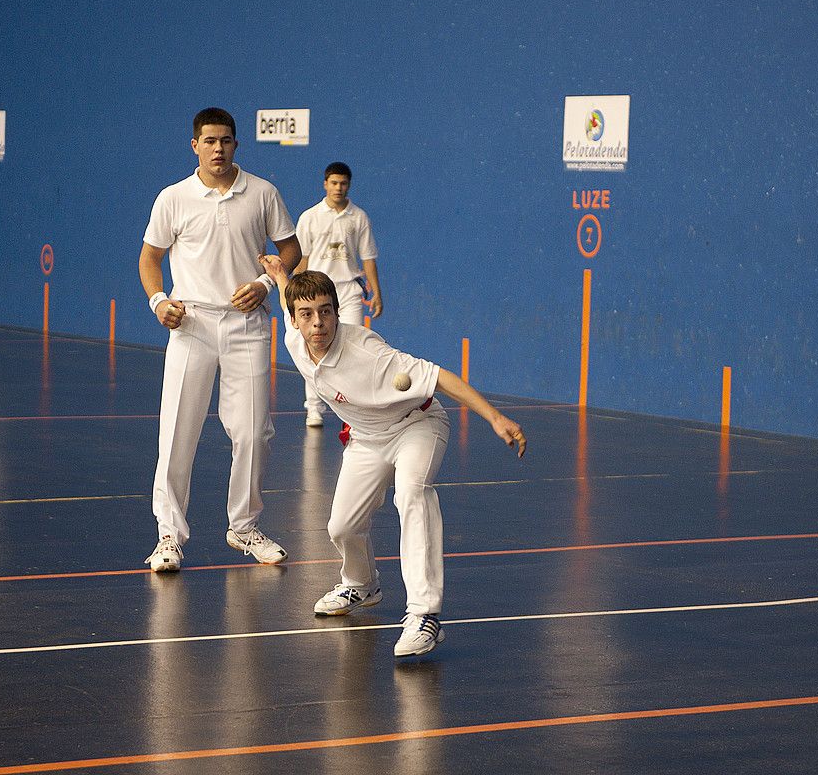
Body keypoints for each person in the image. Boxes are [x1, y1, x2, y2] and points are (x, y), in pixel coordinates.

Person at [260, 256, 527, 657]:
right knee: (341, 527)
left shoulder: (369, 353)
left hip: (416, 425)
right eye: (307, 315)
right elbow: (288, 299)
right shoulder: (297, 340)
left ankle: (425, 615)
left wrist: (494, 417)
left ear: (337, 312)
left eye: (326, 312)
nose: (318, 323)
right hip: (368, 437)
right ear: (295, 321)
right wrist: (282, 276)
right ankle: (362, 585)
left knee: (412, 494)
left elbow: (439, 377)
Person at [138, 107, 301, 573]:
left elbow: (289, 246)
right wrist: (158, 302)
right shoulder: (173, 197)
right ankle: (169, 536)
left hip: (247, 326)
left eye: (226, 141)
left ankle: (243, 527)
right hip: (191, 325)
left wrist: (266, 283)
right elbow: (150, 258)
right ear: (195, 145)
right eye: (209, 141)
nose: (218, 148)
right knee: (176, 434)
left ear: (236, 145)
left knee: (254, 432)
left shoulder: (263, 192)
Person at [293, 162, 383, 427]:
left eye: (343, 183)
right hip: (315, 294)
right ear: (325, 184)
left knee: (354, 349)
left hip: (348, 290)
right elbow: (302, 259)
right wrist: (295, 295)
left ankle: (355, 414)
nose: (338, 188)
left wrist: (377, 292)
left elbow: (368, 258)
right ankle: (314, 408)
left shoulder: (359, 217)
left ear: (349, 185)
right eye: (333, 183)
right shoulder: (310, 216)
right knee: (314, 348)